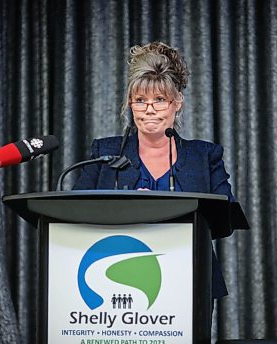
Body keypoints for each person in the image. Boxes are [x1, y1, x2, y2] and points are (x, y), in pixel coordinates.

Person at [73, 41, 236, 299]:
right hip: (117, 283)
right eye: (140, 100)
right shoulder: (104, 152)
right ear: (130, 103)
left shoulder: (204, 156)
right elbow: (73, 211)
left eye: (160, 100)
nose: (149, 109)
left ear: (177, 102)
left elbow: (225, 217)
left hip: (190, 282)